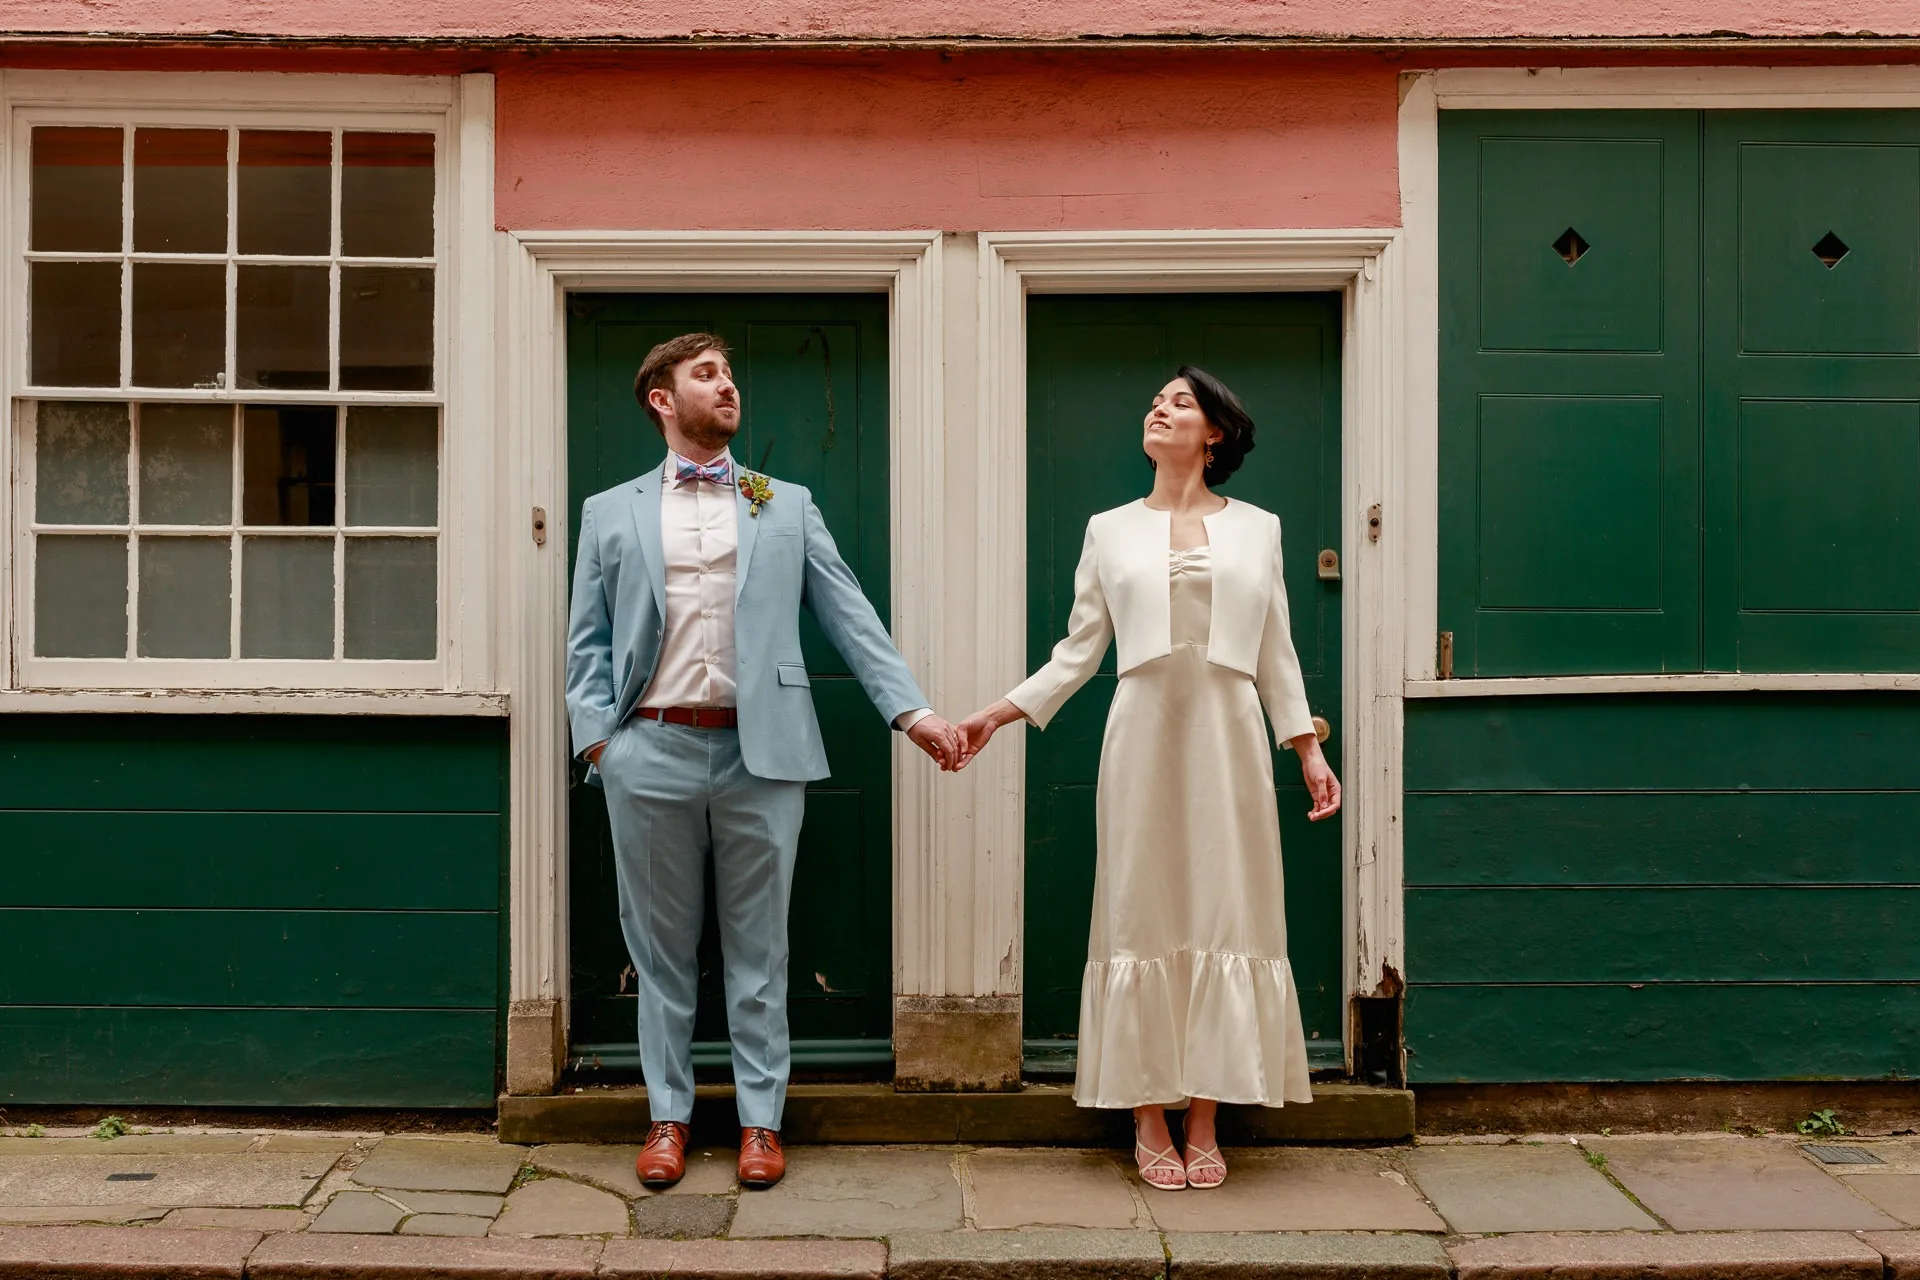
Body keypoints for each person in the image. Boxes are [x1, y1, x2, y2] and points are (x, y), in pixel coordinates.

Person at [566, 333, 964, 1191]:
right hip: (651, 749)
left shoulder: (782, 502)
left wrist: (913, 712)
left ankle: (759, 1123)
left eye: (731, 373)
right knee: (661, 951)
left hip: (766, 755)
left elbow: (850, 614)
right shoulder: (609, 511)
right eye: (706, 375)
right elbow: (587, 642)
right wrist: (602, 744)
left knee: (760, 950)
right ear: (661, 400)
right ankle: (667, 1118)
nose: (727, 386)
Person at [956, 366, 1341, 1191]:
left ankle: (1205, 1116)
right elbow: (1078, 649)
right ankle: (1146, 1116)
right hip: (1142, 735)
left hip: (1230, 735)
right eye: (1156, 401)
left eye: (1180, 402)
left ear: (1216, 435)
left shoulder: (1261, 530)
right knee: (1139, 906)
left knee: (1226, 907)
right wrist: (1000, 712)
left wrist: (1306, 748)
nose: (1159, 409)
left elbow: (1277, 650)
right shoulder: (1109, 529)